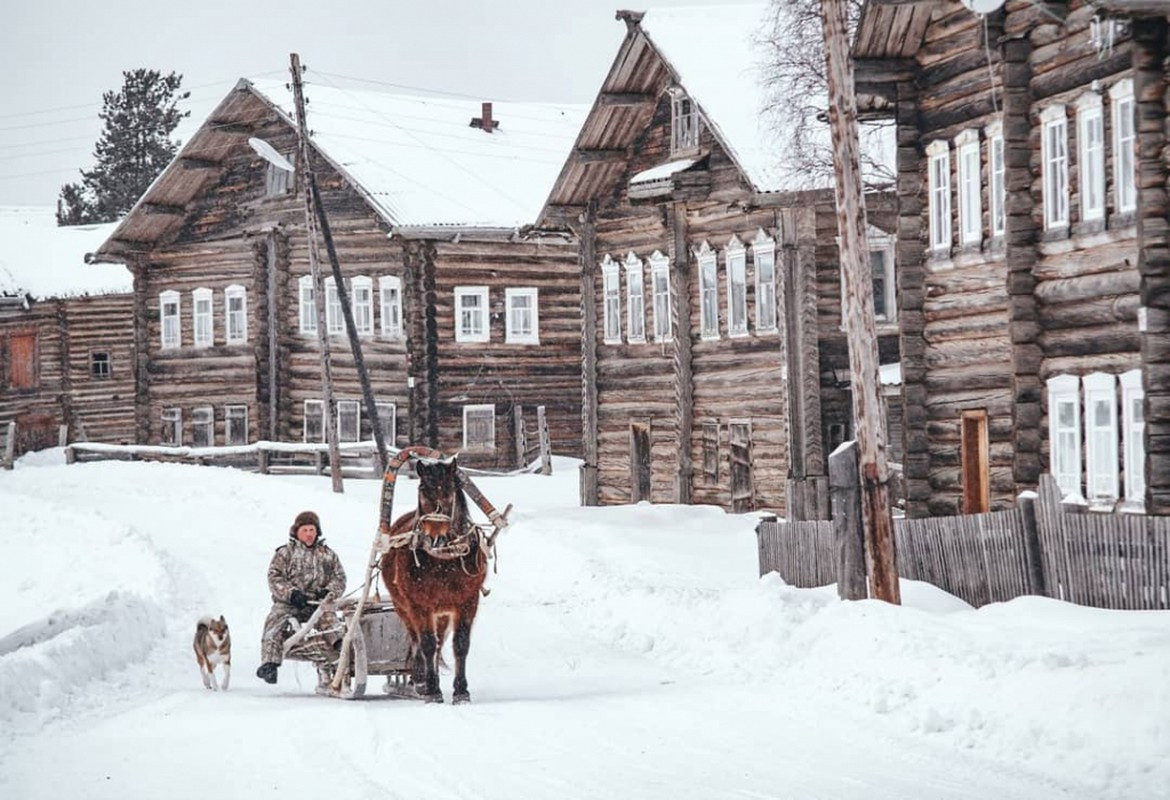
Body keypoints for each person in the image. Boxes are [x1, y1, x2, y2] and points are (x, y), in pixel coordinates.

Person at [255, 510, 347, 685]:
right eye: (305, 530)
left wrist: (328, 592)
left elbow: (340, 578)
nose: (309, 534)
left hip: (318, 603)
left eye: (312, 530)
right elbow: (274, 577)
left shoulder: (327, 554)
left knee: (330, 622)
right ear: (297, 531)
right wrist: (291, 593)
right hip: (290, 603)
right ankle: (269, 664)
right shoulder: (285, 553)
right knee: (274, 623)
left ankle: (341, 651)